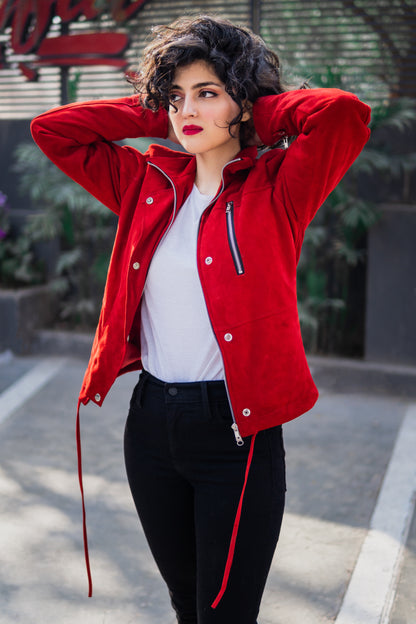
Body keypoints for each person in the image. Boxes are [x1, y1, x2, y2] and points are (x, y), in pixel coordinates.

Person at [31, 14, 371, 624]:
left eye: (206, 93)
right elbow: (53, 129)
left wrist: (249, 106)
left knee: (225, 615)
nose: (187, 109)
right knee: (186, 606)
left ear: (241, 101)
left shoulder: (278, 189)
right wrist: (158, 109)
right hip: (152, 424)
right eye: (176, 96)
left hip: (235, 434)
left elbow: (342, 113)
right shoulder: (146, 183)